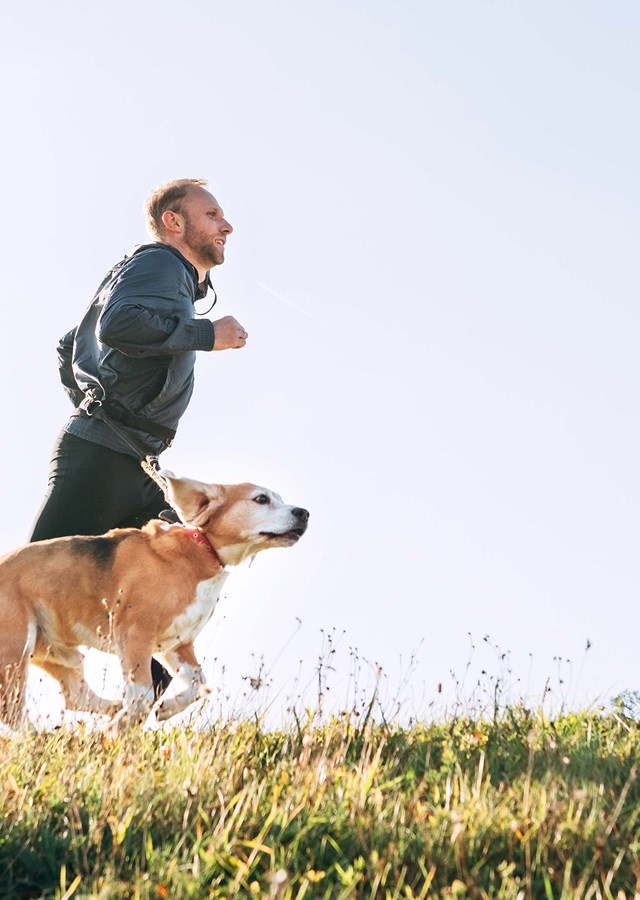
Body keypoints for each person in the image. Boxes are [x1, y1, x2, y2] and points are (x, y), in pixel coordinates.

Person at [28, 177, 247, 694]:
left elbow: (69, 346)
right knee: (22, 594)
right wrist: (206, 334)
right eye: (212, 214)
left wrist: (101, 408)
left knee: (175, 578)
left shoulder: (161, 276)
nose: (227, 225)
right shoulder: (161, 264)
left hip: (124, 457)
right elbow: (121, 324)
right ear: (174, 221)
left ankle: (126, 729)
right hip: (104, 457)